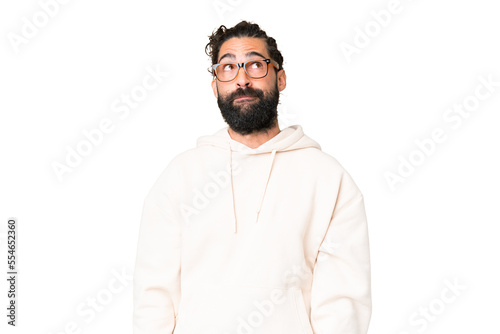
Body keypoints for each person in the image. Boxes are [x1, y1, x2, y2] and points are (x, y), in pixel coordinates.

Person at [133, 20, 372, 334]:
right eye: (228, 67)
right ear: (215, 85)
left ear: (280, 77)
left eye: (255, 65)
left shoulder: (328, 178)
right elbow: (154, 295)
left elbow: (343, 303)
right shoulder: (181, 176)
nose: (242, 79)